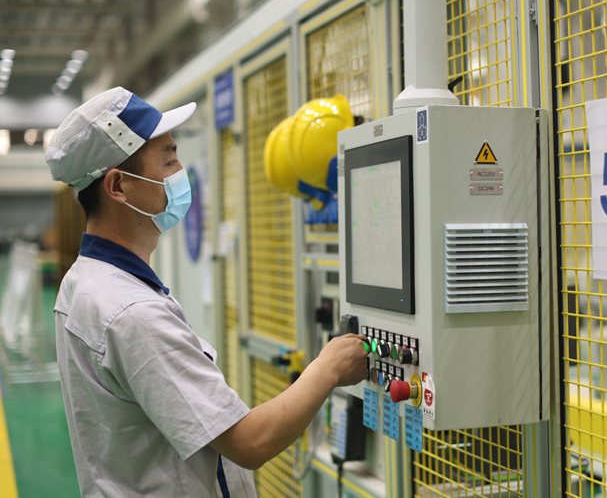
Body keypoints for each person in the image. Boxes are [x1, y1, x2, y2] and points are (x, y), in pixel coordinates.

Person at [45, 87, 367, 497]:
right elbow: (250, 442)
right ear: (118, 186)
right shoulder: (130, 311)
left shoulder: (86, 282)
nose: (180, 171)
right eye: (169, 160)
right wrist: (330, 367)